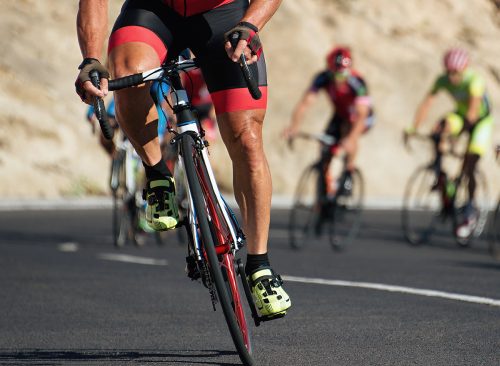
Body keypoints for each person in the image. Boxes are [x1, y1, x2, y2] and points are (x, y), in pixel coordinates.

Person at [75, 0, 290, 319]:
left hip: (223, 16)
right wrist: (90, 59)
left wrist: (250, 24)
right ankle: (157, 173)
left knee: (247, 138)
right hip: (154, 11)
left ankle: (260, 265)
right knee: (130, 72)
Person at [407, 48, 494, 239]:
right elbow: (427, 103)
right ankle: (440, 175)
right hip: (461, 115)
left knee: (469, 165)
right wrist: (413, 128)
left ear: (464, 70)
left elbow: (472, 112)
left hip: (481, 121)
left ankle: (470, 208)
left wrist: (456, 139)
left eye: (457, 73)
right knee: (438, 130)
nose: (453, 77)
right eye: (449, 72)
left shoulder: (474, 81)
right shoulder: (443, 80)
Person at [283, 46, 374, 199]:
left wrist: (351, 140)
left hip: (360, 116)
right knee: (325, 146)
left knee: (348, 134)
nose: (340, 79)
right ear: (329, 70)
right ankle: (324, 191)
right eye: (336, 74)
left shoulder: (357, 82)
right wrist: (294, 127)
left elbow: (362, 115)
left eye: (344, 74)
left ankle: (349, 174)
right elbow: (305, 103)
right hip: (340, 113)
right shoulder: (323, 78)